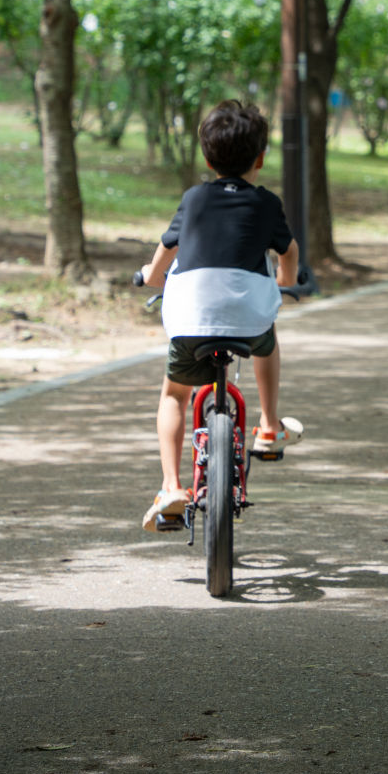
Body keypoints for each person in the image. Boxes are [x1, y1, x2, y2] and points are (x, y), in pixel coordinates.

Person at [139, 99, 302, 531]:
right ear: (260, 159)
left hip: (190, 318)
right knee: (267, 340)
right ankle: (269, 427)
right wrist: (286, 281)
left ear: (208, 160)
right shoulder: (267, 203)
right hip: (250, 318)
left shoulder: (194, 198)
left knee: (174, 394)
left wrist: (151, 277)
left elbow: (166, 250)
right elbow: (288, 251)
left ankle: (171, 487)